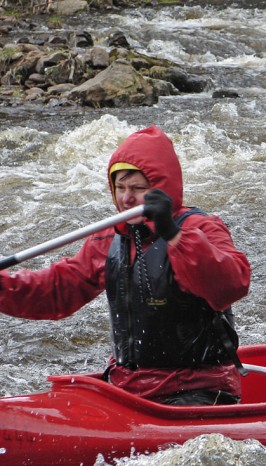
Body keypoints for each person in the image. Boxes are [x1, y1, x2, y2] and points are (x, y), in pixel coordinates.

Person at [0, 126, 251, 406]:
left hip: (199, 388)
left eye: (138, 189)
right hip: (127, 386)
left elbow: (230, 285)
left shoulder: (201, 228)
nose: (126, 199)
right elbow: (57, 290)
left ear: (161, 190)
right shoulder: (109, 237)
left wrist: (174, 236)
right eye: (120, 188)